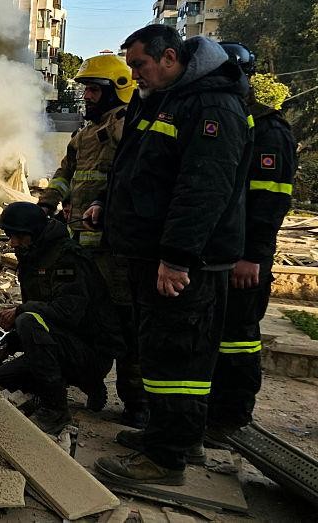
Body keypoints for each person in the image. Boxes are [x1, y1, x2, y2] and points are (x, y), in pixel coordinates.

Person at [89, 25, 251, 486]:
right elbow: (141, 170)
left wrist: (177, 258)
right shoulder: (164, 97)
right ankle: (168, 436)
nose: (134, 74)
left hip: (185, 263)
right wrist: (107, 205)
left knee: (178, 359)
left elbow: (203, 189)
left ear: (169, 57)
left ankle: (166, 459)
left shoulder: (211, 105)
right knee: (160, 354)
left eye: (139, 64)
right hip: (153, 254)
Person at [38, 54, 148, 426]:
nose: (86, 96)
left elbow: (133, 175)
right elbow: (65, 173)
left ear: (117, 89)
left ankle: (137, 403)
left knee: (126, 324)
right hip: (83, 246)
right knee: (88, 320)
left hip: (116, 250)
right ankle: (90, 383)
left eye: (94, 90)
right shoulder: (85, 134)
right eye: (85, 89)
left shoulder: (127, 125)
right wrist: (47, 203)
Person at [0, 202, 123, 435]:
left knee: (26, 319)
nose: (13, 243)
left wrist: (19, 312)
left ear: (35, 232)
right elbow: (44, 319)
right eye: (10, 236)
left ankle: (56, 409)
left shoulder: (67, 258)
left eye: (19, 236)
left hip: (91, 351)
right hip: (62, 343)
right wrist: (9, 344)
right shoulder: (34, 255)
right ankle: (77, 384)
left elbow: (67, 313)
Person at [207, 43, 298, 446]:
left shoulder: (267, 130)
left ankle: (230, 419)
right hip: (215, 254)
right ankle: (207, 414)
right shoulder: (228, 118)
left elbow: (269, 202)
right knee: (212, 337)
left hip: (243, 259)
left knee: (238, 340)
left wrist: (252, 256)